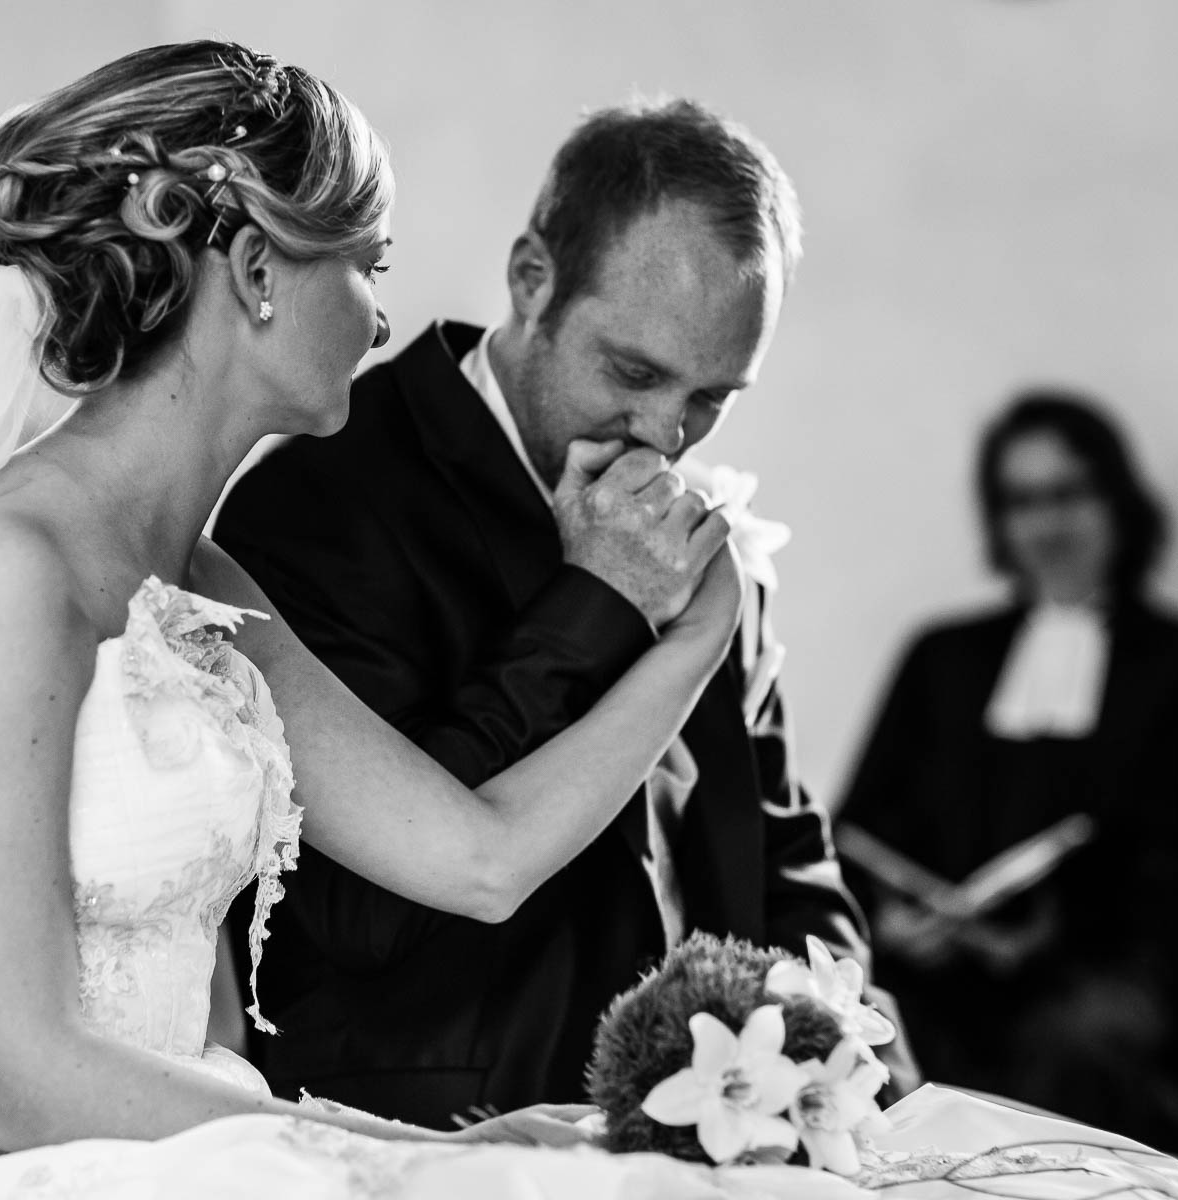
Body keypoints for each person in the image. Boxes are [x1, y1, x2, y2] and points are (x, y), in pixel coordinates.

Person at [0, 42, 1178, 1200]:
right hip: (78, 1160)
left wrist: (692, 631)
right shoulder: (5, 559)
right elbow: (0, 1062)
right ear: (258, 270)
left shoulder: (206, 578)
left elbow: (474, 855)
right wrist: (386, 1160)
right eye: (370, 261)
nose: (393, 309)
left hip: (258, 1139)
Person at [211, 97, 911, 1127]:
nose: (666, 434)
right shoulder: (322, 498)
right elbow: (353, 914)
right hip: (430, 1147)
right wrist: (597, 605)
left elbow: (782, 852)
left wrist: (824, 1049)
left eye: (714, 397)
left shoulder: (702, 536)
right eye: (635, 372)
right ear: (533, 279)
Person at [835, 391, 1178, 1160]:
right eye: (1020, 501)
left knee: (1078, 1042)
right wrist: (893, 918)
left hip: (1107, 968)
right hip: (940, 972)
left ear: (1116, 501)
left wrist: (1051, 933)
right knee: (874, 1036)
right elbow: (859, 829)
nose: (1046, 524)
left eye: (1068, 494)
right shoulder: (942, 657)